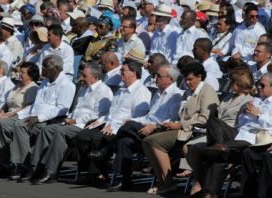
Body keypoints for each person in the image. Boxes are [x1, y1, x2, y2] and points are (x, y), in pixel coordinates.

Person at [29, 62, 113, 184]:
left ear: (94, 77)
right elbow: (77, 109)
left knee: (60, 132)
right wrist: (68, 118)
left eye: (84, 76)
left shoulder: (104, 91)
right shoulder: (84, 89)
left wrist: (75, 120)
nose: (81, 78)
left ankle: (51, 170)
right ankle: (35, 166)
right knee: (46, 130)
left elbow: (99, 114)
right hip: (71, 122)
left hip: (84, 125)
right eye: (81, 75)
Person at [142, 62, 219, 194]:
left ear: (199, 76)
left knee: (153, 142)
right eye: (185, 79)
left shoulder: (207, 91)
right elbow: (183, 114)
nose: (187, 82)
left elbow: (205, 119)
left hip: (196, 132)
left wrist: (181, 124)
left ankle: (167, 182)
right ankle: (164, 182)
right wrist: (172, 124)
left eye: (190, 79)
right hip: (182, 129)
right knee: (148, 140)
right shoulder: (188, 92)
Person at [0, 55, 76, 178]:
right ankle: (3, 165)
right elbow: (35, 106)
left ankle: (24, 165)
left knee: (20, 126)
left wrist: (39, 118)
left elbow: (61, 110)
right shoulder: (45, 82)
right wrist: (17, 114)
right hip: (31, 115)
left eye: (45, 67)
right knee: (3, 123)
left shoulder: (66, 85)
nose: (42, 70)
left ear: (55, 68)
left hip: (48, 119)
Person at [73, 60, 151, 184]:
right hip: (108, 124)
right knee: (82, 136)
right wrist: (98, 121)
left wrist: (113, 126)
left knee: (97, 138)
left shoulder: (142, 92)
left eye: (123, 70)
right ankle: (100, 170)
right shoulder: (120, 90)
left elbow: (136, 118)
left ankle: (96, 175)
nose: (120, 73)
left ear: (134, 73)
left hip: (121, 128)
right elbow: (110, 113)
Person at [108, 64, 183, 193]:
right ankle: (126, 181)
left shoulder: (176, 95)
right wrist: (133, 120)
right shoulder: (158, 94)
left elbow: (173, 120)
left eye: (159, 76)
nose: (155, 78)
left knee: (127, 127)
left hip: (160, 131)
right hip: (146, 128)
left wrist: (154, 126)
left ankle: (107, 149)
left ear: (170, 79)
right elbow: (148, 117)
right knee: (124, 141)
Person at [186, 67, 255, 197]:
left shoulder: (248, 101)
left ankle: (216, 149)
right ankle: (202, 181)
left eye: (233, 81)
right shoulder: (227, 97)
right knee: (193, 148)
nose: (230, 83)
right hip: (217, 132)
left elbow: (242, 124)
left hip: (232, 133)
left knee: (212, 120)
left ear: (241, 83)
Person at [0, 62, 39, 151]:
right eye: (20, 72)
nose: (19, 74)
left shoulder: (33, 88)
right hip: (6, 114)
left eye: (22, 73)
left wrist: (9, 114)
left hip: (18, 116)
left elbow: (28, 107)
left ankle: (3, 157)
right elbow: (7, 102)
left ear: (31, 75)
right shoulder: (17, 86)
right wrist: (1, 112)